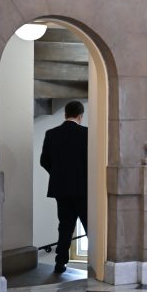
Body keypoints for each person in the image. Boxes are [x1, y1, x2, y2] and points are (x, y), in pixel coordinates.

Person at [40, 101, 88, 273]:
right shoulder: (87, 134)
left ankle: (60, 263)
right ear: (80, 116)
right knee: (89, 224)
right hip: (83, 189)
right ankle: (96, 263)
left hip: (61, 189)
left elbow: (44, 161)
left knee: (65, 226)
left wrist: (58, 175)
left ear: (65, 114)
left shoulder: (51, 133)